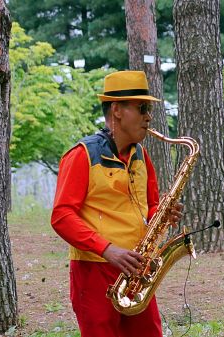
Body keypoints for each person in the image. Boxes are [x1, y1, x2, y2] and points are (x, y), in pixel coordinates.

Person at [51, 70, 180, 337]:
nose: (149, 116)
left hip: (137, 270)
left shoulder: (141, 154)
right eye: (142, 108)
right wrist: (108, 250)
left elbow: (151, 205)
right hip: (94, 270)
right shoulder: (81, 154)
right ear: (117, 110)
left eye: (149, 109)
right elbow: (62, 216)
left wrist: (163, 215)